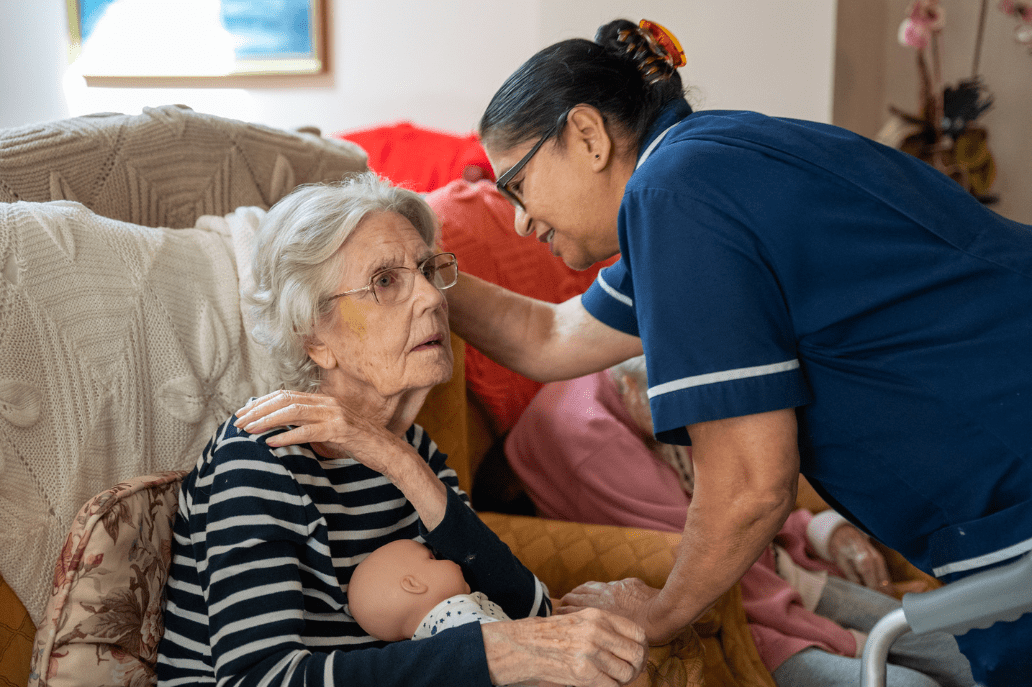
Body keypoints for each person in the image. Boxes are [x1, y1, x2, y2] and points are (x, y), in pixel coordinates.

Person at [444, 17, 1032, 685]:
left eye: (515, 185)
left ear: (586, 135)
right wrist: (429, 271)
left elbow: (751, 484)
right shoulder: (698, 168)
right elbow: (550, 337)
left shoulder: (677, 198)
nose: (519, 219)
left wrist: (659, 613)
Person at [154, 172, 648, 687]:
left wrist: (399, 462)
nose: (433, 300)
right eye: (385, 281)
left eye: (429, 271)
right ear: (314, 337)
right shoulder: (261, 457)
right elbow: (259, 679)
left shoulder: (415, 452)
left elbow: (531, 611)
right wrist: (493, 655)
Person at [506, 355, 976, 687]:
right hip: (733, 605)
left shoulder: (658, 377)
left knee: (964, 650)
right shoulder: (589, 441)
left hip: (772, 570)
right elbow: (706, 547)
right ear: (626, 385)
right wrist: (837, 635)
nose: (688, 428)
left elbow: (744, 492)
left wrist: (819, 527)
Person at [348, 539, 563, 687]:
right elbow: (517, 653)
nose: (450, 560)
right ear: (413, 584)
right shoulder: (456, 614)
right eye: (433, 558)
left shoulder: (425, 649)